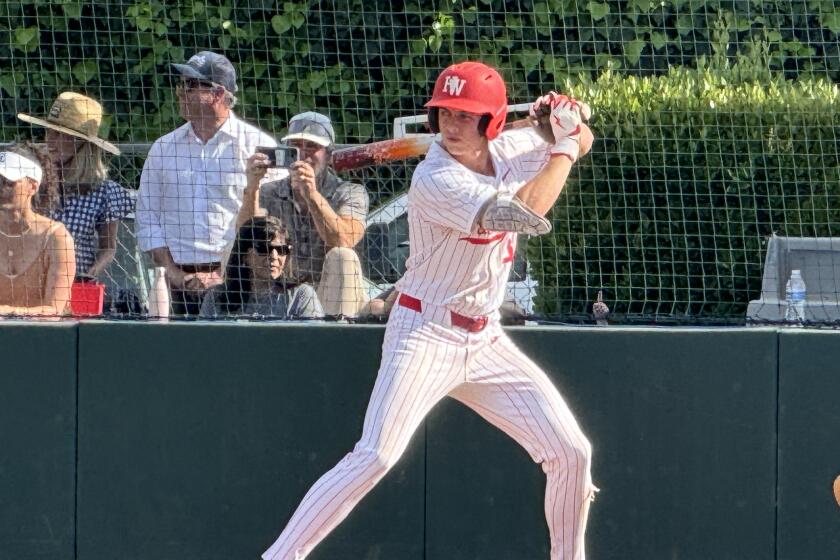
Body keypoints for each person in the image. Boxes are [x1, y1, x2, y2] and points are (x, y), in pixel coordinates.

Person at [261, 61, 596, 560]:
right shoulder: (434, 177)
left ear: (492, 122)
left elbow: (581, 139)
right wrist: (563, 143)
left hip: (486, 340)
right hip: (425, 331)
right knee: (375, 455)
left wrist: (561, 121)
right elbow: (526, 211)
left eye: (466, 116)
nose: (451, 126)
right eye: (444, 113)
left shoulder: (508, 147)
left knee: (572, 453)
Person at [136, 51, 281, 317]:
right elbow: (147, 220)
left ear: (217, 94)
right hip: (174, 288)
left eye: (190, 85)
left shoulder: (258, 147)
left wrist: (226, 273)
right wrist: (174, 273)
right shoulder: (163, 149)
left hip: (241, 287)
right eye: (181, 84)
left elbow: (272, 225)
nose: (180, 92)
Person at [238, 111, 369, 317]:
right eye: (296, 146)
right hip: (282, 292)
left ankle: (337, 339)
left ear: (328, 154)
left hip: (330, 293)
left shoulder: (350, 192)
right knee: (231, 247)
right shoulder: (269, 192)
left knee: (343, 255)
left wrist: (312, 195)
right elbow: (243, 240)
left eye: (312, 146)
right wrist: (252, 187)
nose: (303, 154)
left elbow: (344, 238)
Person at [17, 92, 134, 281]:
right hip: (27, 281)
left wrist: (92, 271)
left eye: (60, 135)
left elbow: (108, 247)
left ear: (82, 144)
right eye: (49, 131)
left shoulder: (104, 192)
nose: (50, 140)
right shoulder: (28, 180)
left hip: (75, 283)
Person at [0, 144, 76, 317]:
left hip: (40, 338)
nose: (1, 188)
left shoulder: (57, 237)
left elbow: (54, 310)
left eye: (8, 182)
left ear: (32, 187)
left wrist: (7, 313)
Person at [199, 216, 323, 319]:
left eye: (281, 250)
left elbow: (312, 343)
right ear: (244, 255)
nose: (274, 256)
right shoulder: (216, 297)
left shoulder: (301, 295)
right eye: (264, 249)